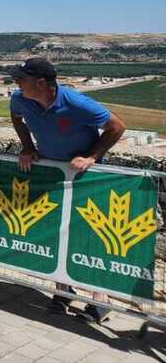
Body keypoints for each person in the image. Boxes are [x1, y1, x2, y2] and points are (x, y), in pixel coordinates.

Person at [8, 56, 125, 322]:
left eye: (21, 79)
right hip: (52, 174)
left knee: (90, 236)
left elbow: (117, 127)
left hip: (85, 178)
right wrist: (27, 146)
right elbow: (16, 119)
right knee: (56, 231)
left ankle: (101, 300)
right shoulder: (20, 99)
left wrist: (91, 156)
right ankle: (63, 290)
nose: (16, 83)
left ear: (40, 82)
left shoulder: (76, 103)